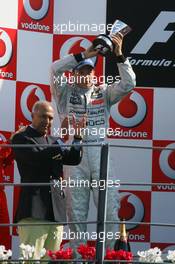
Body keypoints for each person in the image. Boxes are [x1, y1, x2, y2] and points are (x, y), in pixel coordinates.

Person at [50, 34, 136, 254]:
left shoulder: (104, 92)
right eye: (81, 70)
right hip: (73, 155)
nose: (85, 74)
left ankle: (108, 256)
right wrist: (83, 55)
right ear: (74, 74)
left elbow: (129, 84)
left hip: (99, 153)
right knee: (75, 213)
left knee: (108, 210)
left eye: (89, 70)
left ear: (94, 74)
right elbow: (54, 69)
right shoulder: (63, 92)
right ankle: (78, 256)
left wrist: (118, 56)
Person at [11, 101, 84, 261]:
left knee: (51, 260)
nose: (47, 121)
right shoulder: (21, 137)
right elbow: (37, 157)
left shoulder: (54, 140)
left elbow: (73, 158)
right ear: (32, 115)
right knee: (31, 259)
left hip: (56, 212)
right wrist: (57, 150)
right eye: (43, 116)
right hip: (34, 211)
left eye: (50, 118)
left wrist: (77, 138)